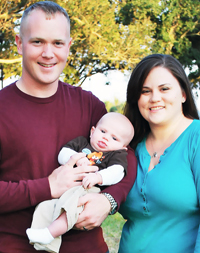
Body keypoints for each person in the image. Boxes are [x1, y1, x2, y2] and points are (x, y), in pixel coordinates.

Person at [0, 2, 137, 253]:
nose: (48, 53)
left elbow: (125, 155)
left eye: (58, 43)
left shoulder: (89, 105)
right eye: (37, 42)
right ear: (19, 43)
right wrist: (47, 187)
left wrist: (108, 200)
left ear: (69, 46)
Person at [118, 54, 200, 253]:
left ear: (183, 94)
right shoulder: (130, 145)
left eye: (164, 89)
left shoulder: (196, 138)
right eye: (145, 91)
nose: (155, 98)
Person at [26, 112, 134, 253]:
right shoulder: (82, 143)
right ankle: (45, 244)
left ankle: (50, 233)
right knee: (46, 206)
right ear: (92, 131)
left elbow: (118, 171)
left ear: (123, 147)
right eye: (103, 131)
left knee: (71, 207)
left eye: (114, 138)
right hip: (67, 187)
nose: (106, 138)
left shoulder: (116, 154)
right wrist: (75, 158)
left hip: (89, 189)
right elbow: (63, 153)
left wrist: (99, 177)